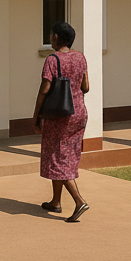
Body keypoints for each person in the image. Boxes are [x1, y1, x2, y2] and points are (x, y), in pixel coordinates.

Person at [32, 21, 91, 222]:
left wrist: (36, 116)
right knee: (65, 155)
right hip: (79, 113)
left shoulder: (52, 60)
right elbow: (86, 87)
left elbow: (44, 90)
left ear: (56, 37)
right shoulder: (80, 57)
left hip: (59, 116)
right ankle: (55, 201)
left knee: (58, 158)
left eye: (51, 35)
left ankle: (79, 201)